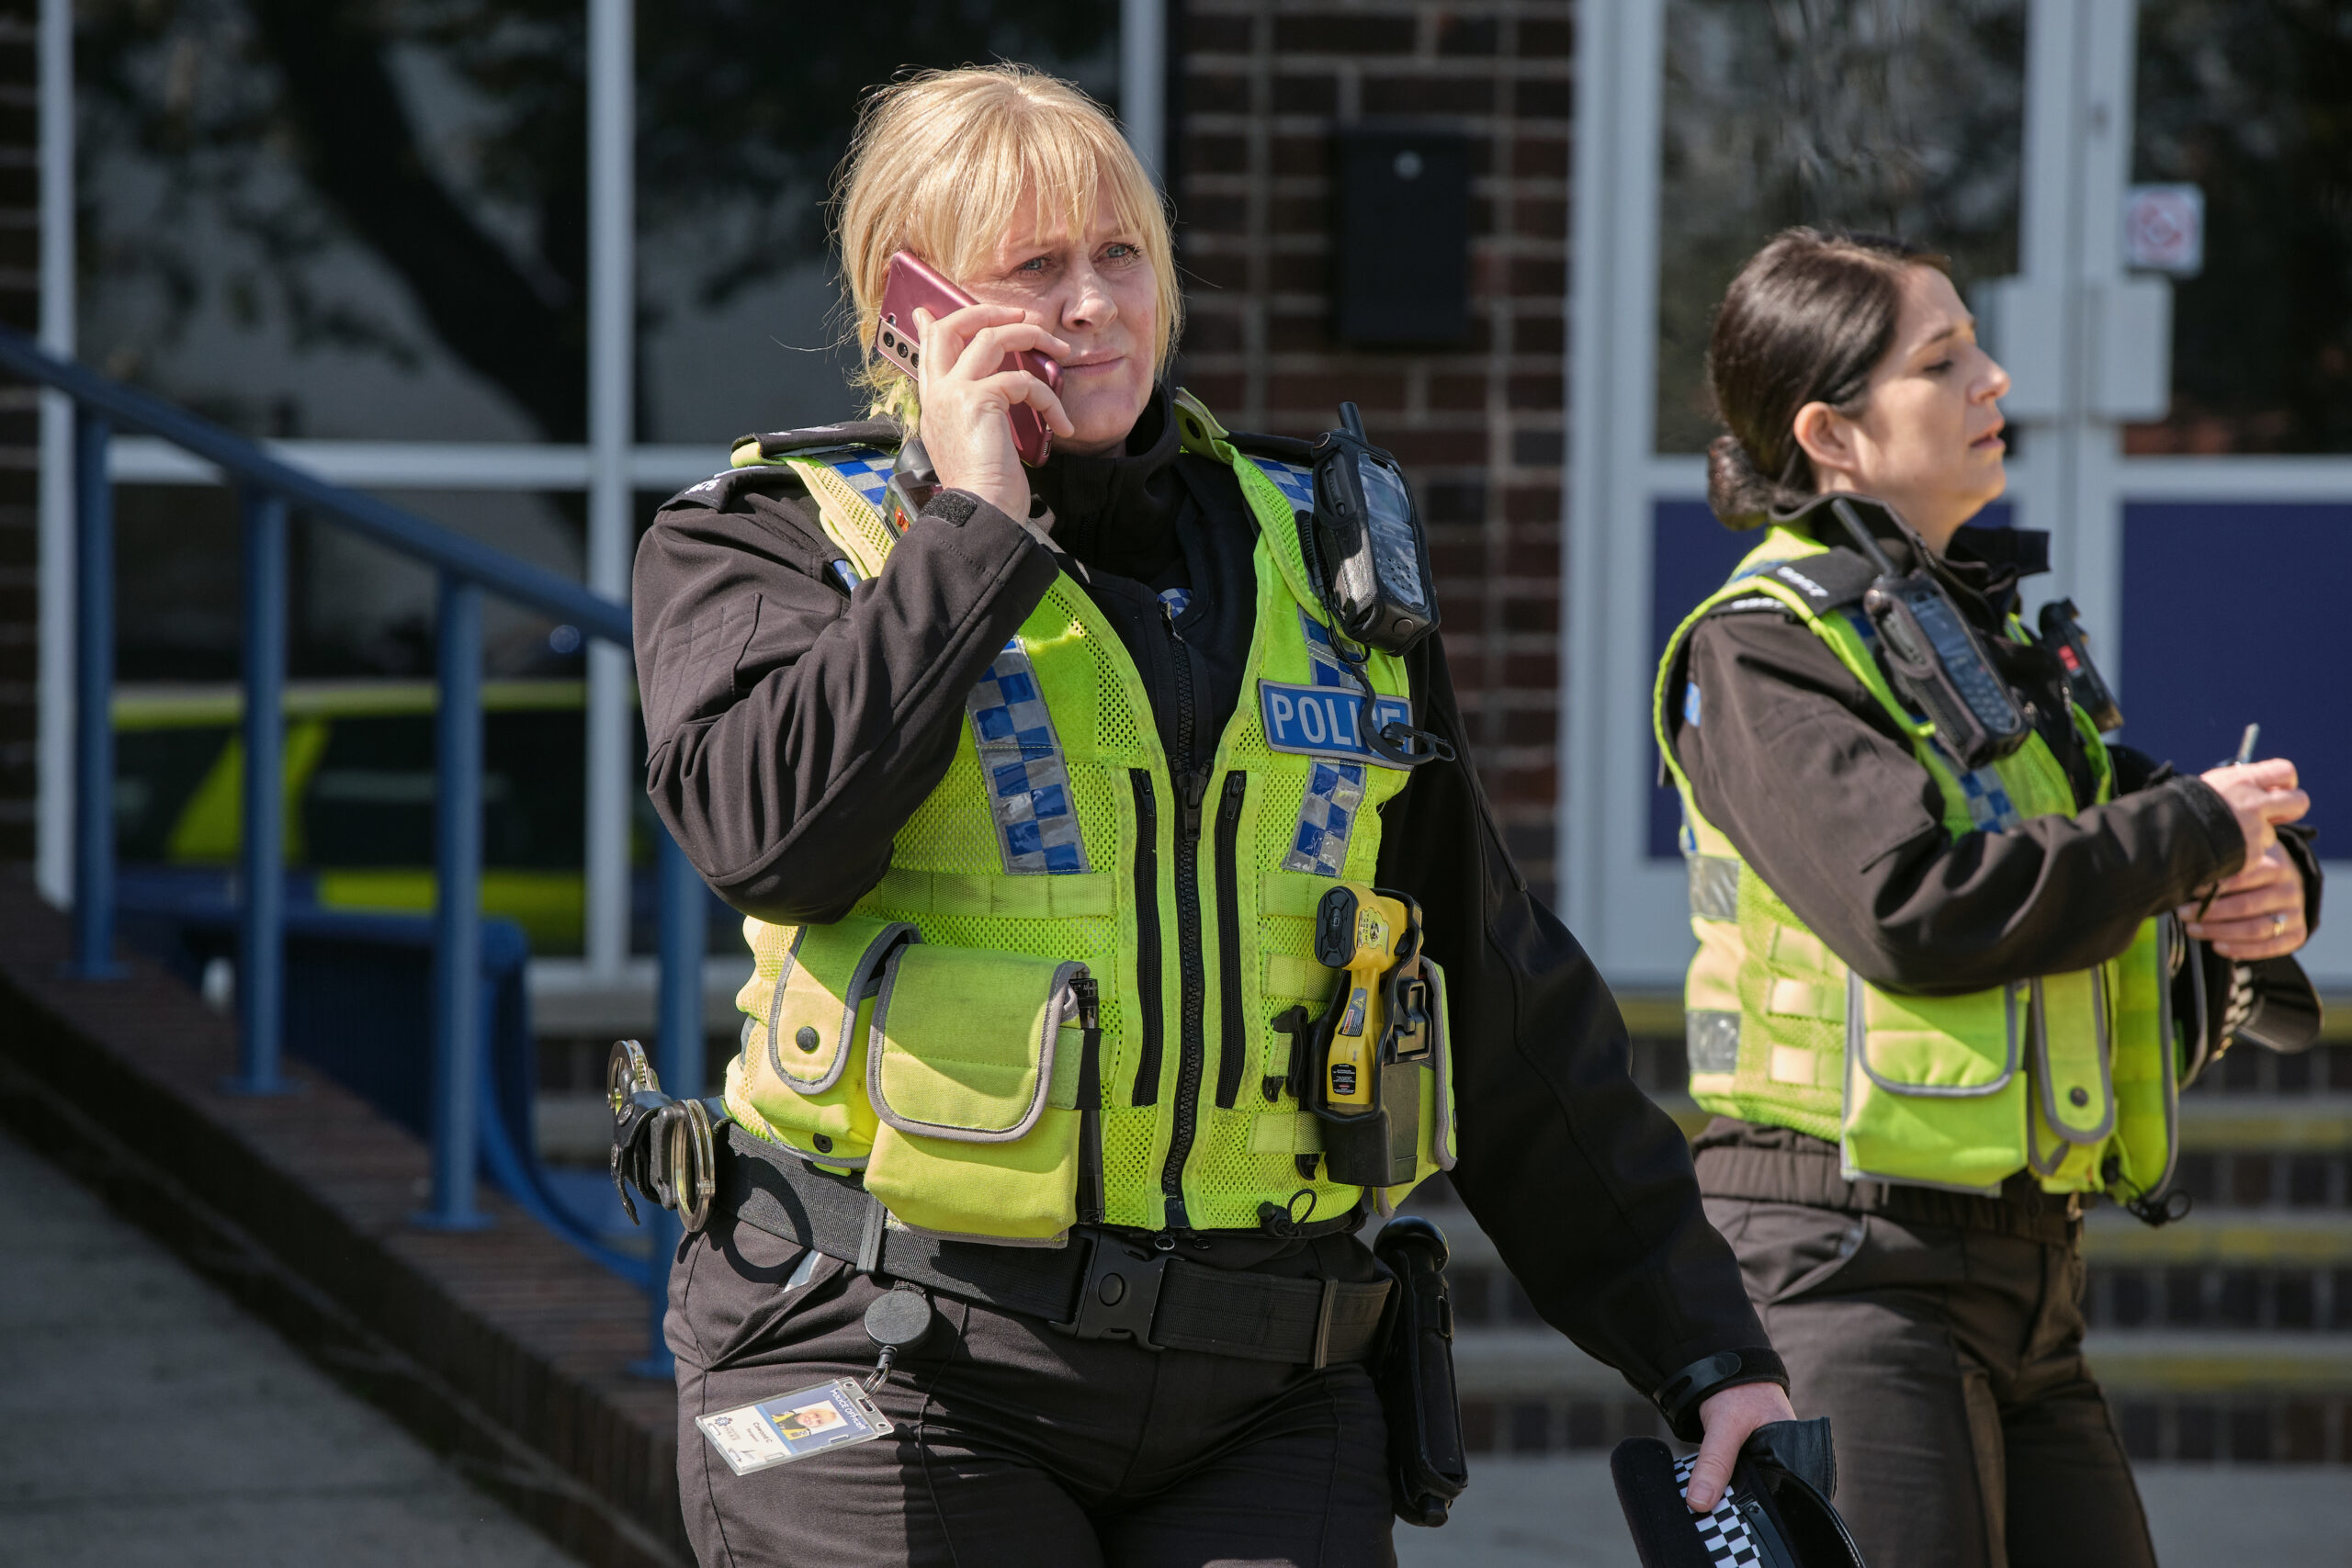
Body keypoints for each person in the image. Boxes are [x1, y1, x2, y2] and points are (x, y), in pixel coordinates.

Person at [631, 63, 1792, 1568]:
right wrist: (972, 530)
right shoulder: (774, 544)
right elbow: (771, 831)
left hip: (1267, 1381)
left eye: (1121, 256)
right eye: (1035, 268)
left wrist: (1702, 1348)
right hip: (889, 1348)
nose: (1094, 303)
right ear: (907, 307)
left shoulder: (1325, 552)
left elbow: (1494, 985)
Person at [1655, 228, 2324, 1568]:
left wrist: (2261, 889)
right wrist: (2190, 831)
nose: (1996, 381)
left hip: (2029, 1272)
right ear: (1831, 433)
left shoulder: (1984, 638)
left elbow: (2132, 824)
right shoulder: (1766, 646)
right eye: (1944, 358)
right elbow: (1916, 906)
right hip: (1845, 1266)